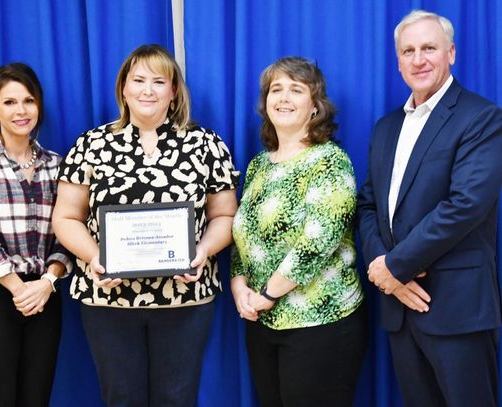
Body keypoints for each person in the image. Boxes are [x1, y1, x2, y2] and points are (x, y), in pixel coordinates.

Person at [52, 44, 239, 407]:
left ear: (173, 92)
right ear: (123, 87)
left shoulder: (206, 144)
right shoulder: (91, 144)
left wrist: (201, 252)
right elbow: (65, 217)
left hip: (184, 298)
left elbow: (225, 216)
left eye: (159, 81)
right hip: (107, 297)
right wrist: (95, 257)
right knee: (121, 397)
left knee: (178, 397)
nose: (147, 90)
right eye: (138, 80)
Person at [358, 10, 502, 407]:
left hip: (457, 308)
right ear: (398, 60)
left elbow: (465, 204)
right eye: (408, 50)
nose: (418, 59)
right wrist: (383, 268)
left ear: (451, 53)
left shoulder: (482, 117)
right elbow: (369, 205)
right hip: (399, 307)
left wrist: (395, 266)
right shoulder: (386, 127)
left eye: (429, 48)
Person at [231, 57, 367, 407]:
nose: (284, 98)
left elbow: (319, 240)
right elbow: (244, 234)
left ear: (315, 106)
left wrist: (268, 294)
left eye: (296, 89)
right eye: (276, 89)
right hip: (261, 321)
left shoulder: (330, 161)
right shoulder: (260, 164)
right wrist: (238, 284)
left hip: (320, 322)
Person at [0, 63, 72, 406]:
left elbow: (66, 233)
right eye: (9, 102)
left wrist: (47, 282)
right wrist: (19, 289)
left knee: (36, 399)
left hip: (45, 294)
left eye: (29, 100)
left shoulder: (57, 164)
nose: (21, 111)